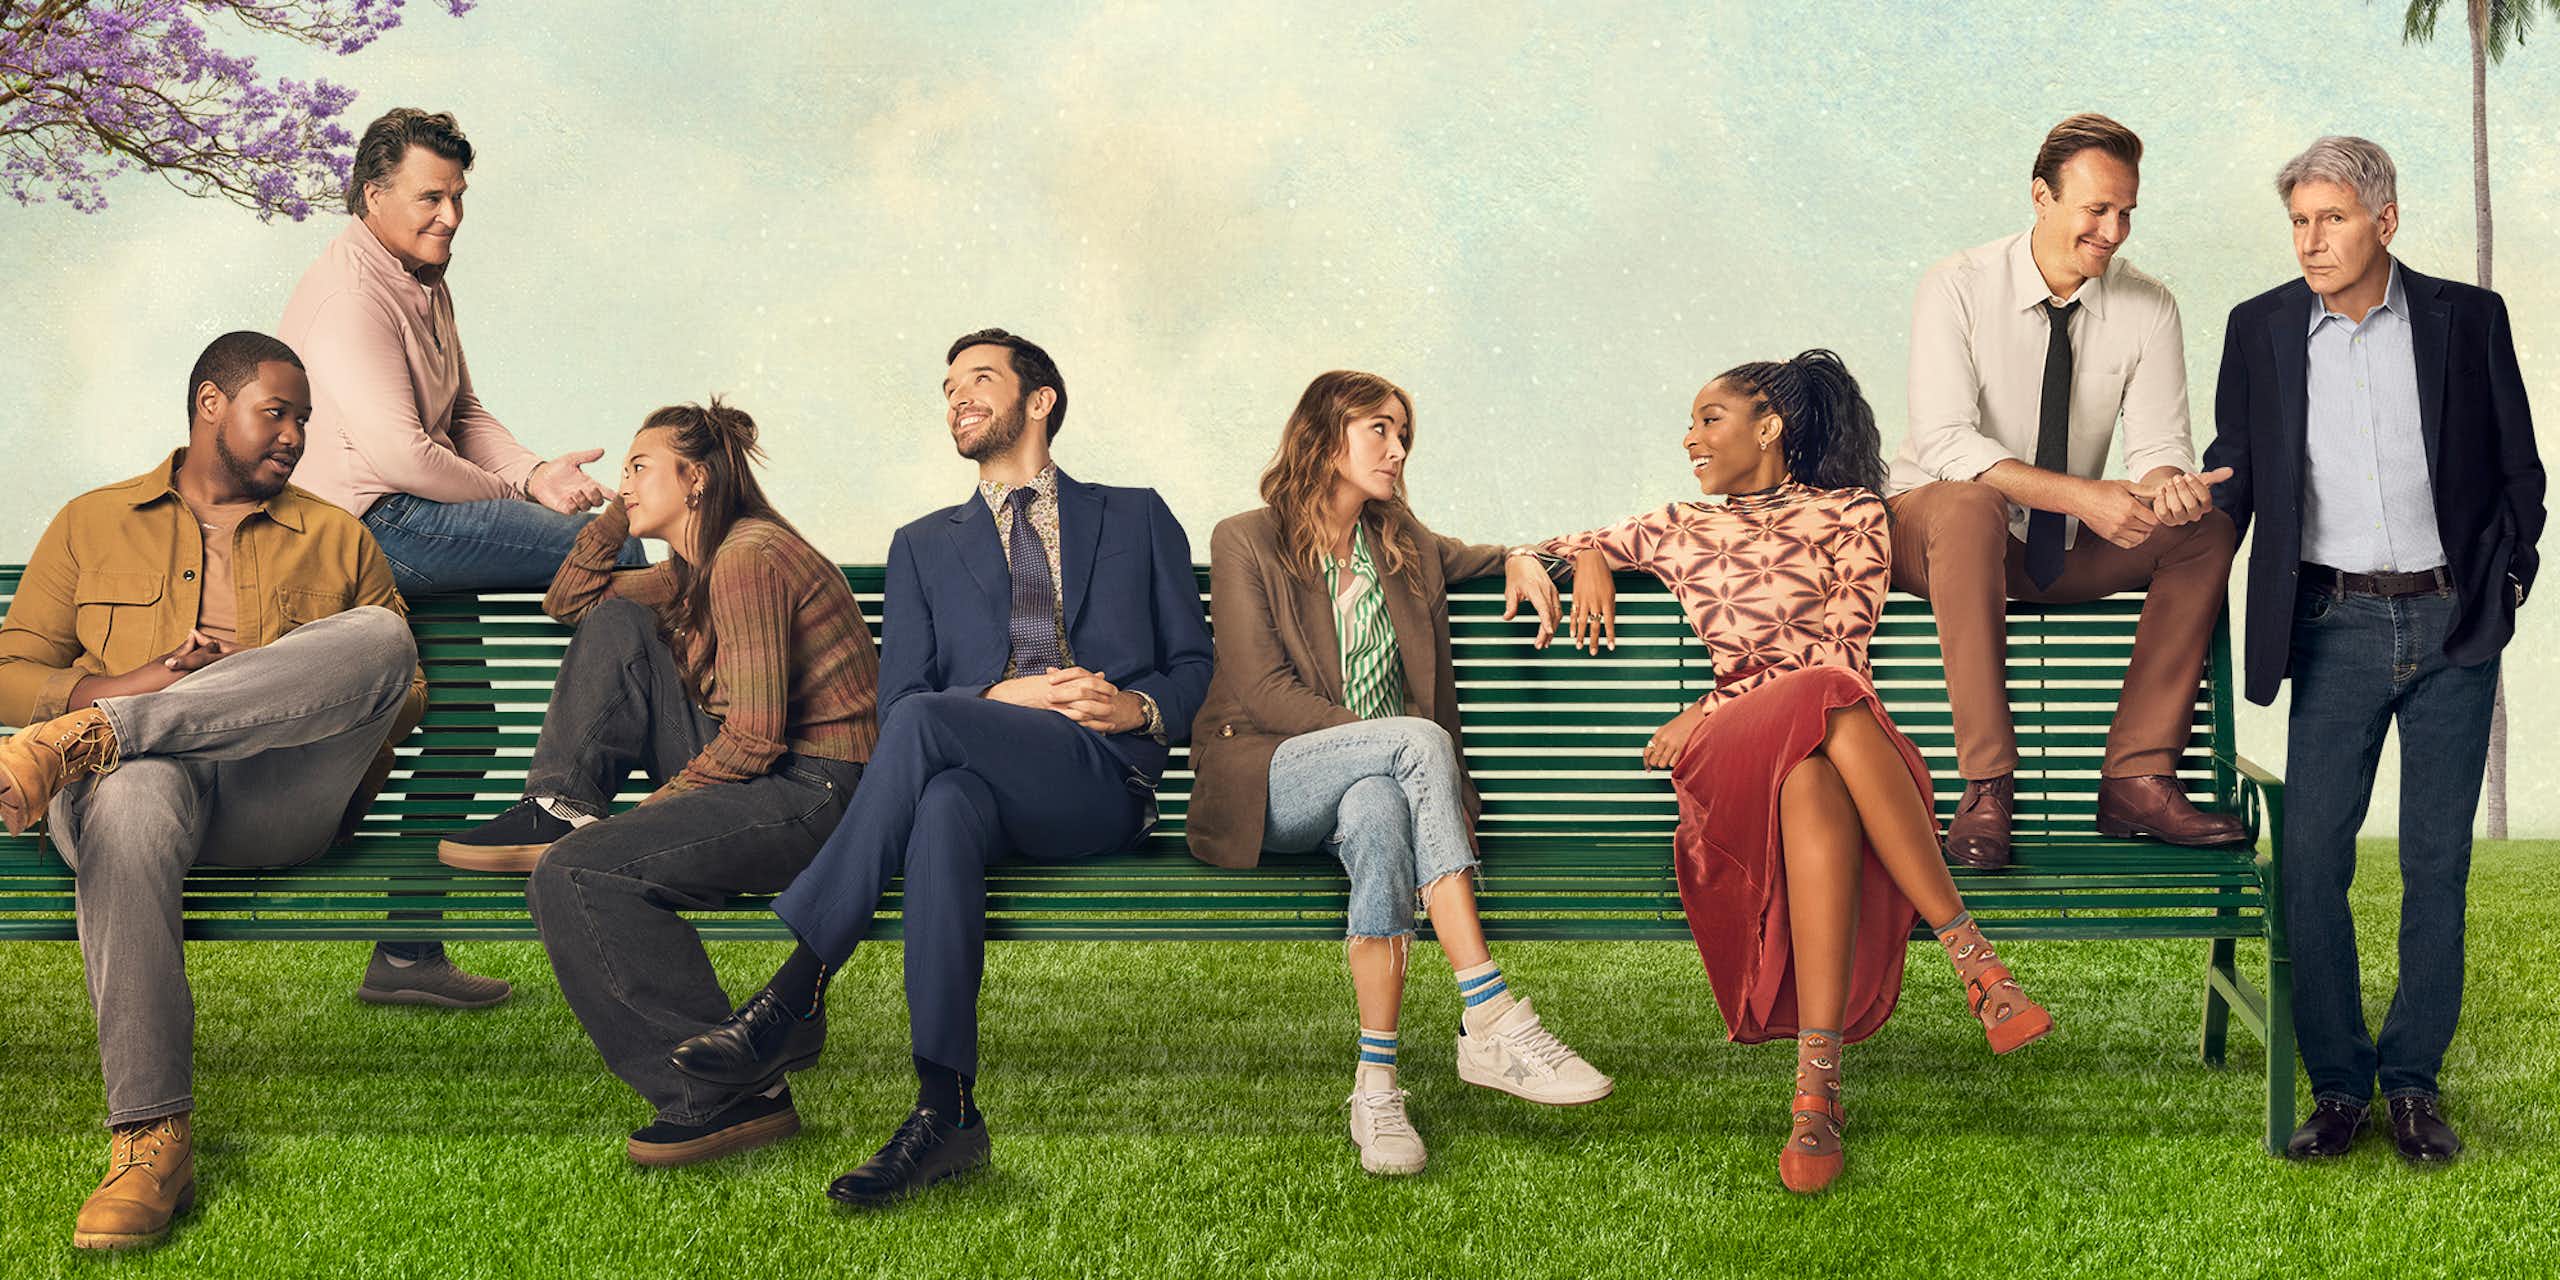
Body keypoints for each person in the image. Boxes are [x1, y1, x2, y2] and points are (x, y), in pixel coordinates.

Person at [664, 329, 1215, 1207]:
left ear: (1041, 401)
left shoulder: (1135, 513)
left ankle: (795, 994)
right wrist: (1006, 700)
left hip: (1101, 777)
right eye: (948, 386)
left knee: (930, 738)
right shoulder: (922, 544)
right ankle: (945, 1111)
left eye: (980, 380)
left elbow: (1195, 665)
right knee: (948, 803)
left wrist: (1137, 709)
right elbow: (906, 695)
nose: (957, 396)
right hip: (984, 769)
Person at [1537, 351, 2053, 1194]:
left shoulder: (1852, 513)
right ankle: (1975, 962)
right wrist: (1579, 557)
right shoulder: (1676, 523)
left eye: (1710, 419)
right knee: (1830, 700)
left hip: (1838, 753)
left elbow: (1842, 650)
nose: (1690, 438)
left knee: (1819, 755)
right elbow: (1540, 549)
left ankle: (1815, 1097)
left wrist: (1707, 702)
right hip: (1734, 753)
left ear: (1768, 426)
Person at [0, 332, 430, 1250]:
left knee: (382, 641)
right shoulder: (90, 521)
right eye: (277, 412)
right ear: (209, 404)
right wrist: (132, 686)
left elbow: (400, 689)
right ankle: (150, 1138)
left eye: (304, 420)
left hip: (275, 797)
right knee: (133, 791)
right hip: (130, 796)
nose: (295, 436)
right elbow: (10, 669)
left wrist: (257, 690)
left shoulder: (336, 535)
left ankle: (86, 741)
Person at [2205, 137, 2543, 1164]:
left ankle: (2410, 1085)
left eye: (2330, 220)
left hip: (2451, 626)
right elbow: (2233, 471)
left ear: (2382, 221)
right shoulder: (2258, 328)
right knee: (2308, 862)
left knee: (2437, 865)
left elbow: (2520, 474)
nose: (2310, 240)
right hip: (2332, 626)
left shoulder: (2464, 318)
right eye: (2298, 223)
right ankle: (2338, 1085)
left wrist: (2505, 591)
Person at [434, 399, 881, 1166]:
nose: (625, 481)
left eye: (641, 468)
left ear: (697, 479)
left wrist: (649, 812)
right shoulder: (690, 568)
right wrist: (615, 513)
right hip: (769, 768)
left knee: (579, 873)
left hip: (817, 791)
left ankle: (730, 1091)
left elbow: (756, 739)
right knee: (616, 622)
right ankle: (559, 806)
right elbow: (570, 604)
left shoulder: (747, 557)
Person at [1187, 370, 1611, 1177]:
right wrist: (1388, 741)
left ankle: (1376, 1088)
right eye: (1378, 429)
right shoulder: (1245, 538)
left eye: (1403, 433)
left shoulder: (1402, 542)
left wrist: (1534, 556)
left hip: (1373, 786)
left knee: (1383, 808)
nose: (1397, 447)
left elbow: (1490, 555)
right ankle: (1488, 1015)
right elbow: (1263, 690)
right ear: (1324, 436)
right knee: (1410, 748)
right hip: (1268, 776)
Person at [1888, 112, 2244, 868]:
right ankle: (1988, 786)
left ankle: (2138, 778)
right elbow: (1950, 442)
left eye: (2126, 212)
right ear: (2041, 198)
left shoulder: (2149, 306)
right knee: (1970, 504)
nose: (2114, 231)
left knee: (2206, 529)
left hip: (2052, 546)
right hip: (1937, 533)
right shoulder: (1955, 285)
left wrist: (2165, 488)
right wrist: (2084, 497)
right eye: (2096, 209)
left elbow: (2156, 448)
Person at [276, 107, 642, 595]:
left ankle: (593, 675)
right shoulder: (352, 296)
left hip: (415, 507)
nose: (450, 218)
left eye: (457, 197)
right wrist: (518, 493)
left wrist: (534, 475)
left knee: (609, 543)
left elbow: (463, 415)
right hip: (366, 525)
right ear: (374, 196)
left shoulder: (420, 276)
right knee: (615, 546)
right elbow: (404, 459)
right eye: (430, 198)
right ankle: (613, 676)